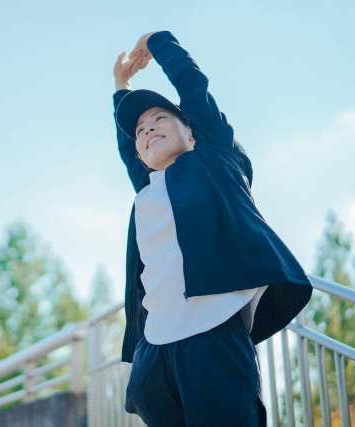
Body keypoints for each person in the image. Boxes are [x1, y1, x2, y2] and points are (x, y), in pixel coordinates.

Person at [112, 31, 313, 427]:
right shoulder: (147, 191)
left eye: (160, 119)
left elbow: (193, 88)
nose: (148, 129)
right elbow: (125, 146)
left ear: (192, 132)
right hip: (153, 353)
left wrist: (158, 41)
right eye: (141, 131)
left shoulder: (214, 161)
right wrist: (121, 86)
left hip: (212, 336)